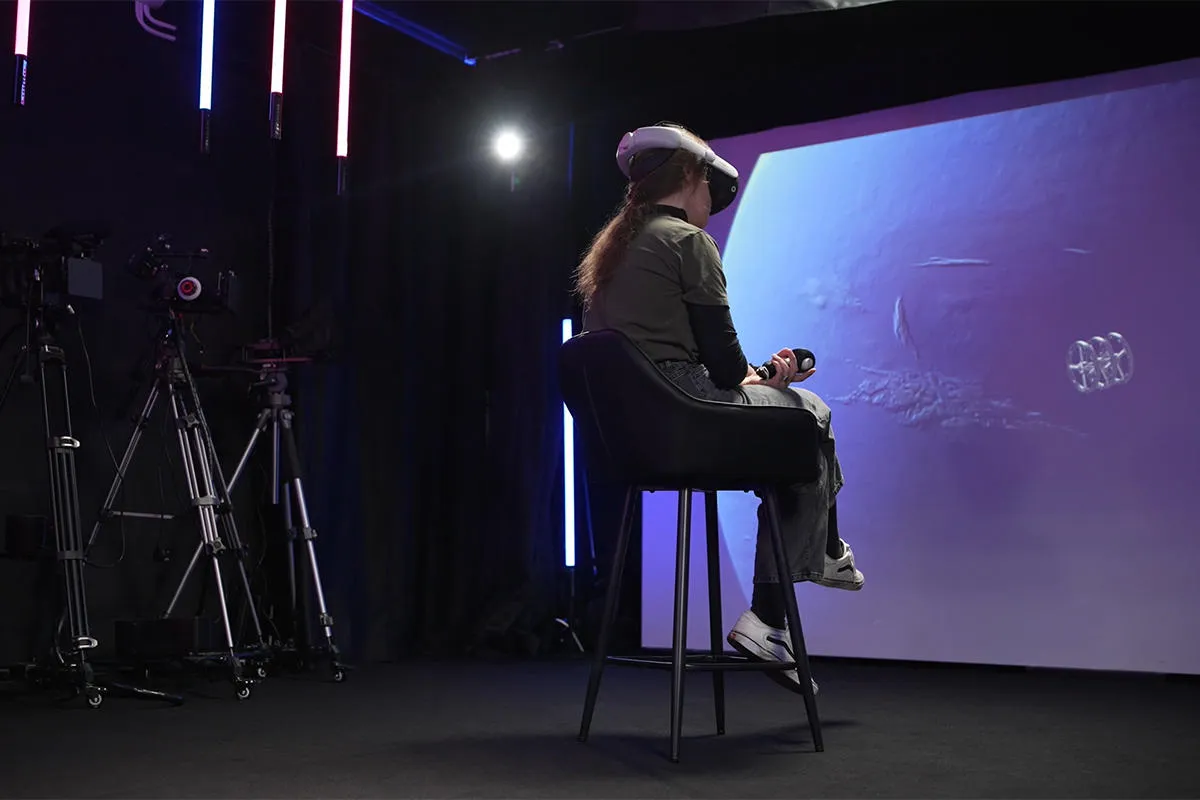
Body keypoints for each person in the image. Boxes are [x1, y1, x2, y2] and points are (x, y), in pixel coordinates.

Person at [575, 123, 864, 695]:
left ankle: (823, 556)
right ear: (690, 176)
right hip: (687, 415)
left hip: (638, 438)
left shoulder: (614, 249)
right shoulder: (688, 241)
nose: (712, 198)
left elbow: (675, 362)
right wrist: (767, 378)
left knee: (785, 419)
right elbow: (726, 369)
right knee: (809, 412)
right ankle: (778, 606)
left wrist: (759, 378)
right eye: (708, 183)